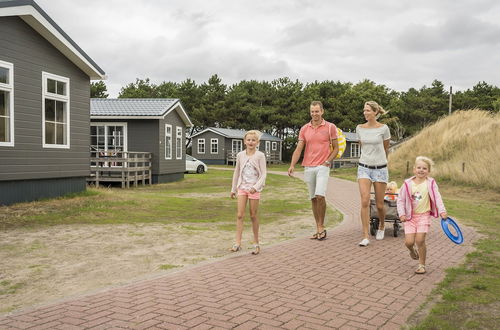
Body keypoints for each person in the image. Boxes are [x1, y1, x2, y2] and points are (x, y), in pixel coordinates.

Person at [288, 101, 339, 241]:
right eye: (312, 112)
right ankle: (317, 227)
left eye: (317, 111)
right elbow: (299, 149)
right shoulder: (304, 129)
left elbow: (336, 148)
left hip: (323, 166)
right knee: (313, 198)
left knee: (320, 196)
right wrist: (292, 165)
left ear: (322, 111)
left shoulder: (330, 127)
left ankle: (321, 226)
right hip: (308, 167)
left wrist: (327, 161)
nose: (314, 114)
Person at [397, 156, 447, 274]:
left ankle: (421, 265)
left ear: (428, 171)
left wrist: (442, 211)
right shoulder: (407, 184)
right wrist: (402, 214)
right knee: (409, 242)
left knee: (420, 240)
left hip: (423, 216)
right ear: (414, 169)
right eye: (419, 167)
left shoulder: (430, 183)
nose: (421, 170)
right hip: (410, 217)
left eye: (424, 168)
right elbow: (400, 200)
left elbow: (438, 197)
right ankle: (412, 251)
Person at [356, 101, 391, 246]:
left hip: (380, 169)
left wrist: (380, 162)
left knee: (380, 205)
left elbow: (386, 148)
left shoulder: (384, 128)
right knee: (364, 201)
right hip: (364, 167)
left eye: (368, 110)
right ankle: (365, 236)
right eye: (364, 110)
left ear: (375, 112)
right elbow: (362, 146)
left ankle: (382, 225)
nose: (365, 113)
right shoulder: (359, 128)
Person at [230, 130, 267, 255]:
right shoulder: (240, 155)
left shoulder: (260, 155)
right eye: (248, 140)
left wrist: (256, 187)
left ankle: (256, 243)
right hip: (242, 188)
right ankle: (237, 243)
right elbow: (236, 171)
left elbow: (263, 174)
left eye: (253, 140)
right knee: (240, 215)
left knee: (253, 215)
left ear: (257, 142)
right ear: (244, 141)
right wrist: (233, 189)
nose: (251, 142)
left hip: (254, 190)